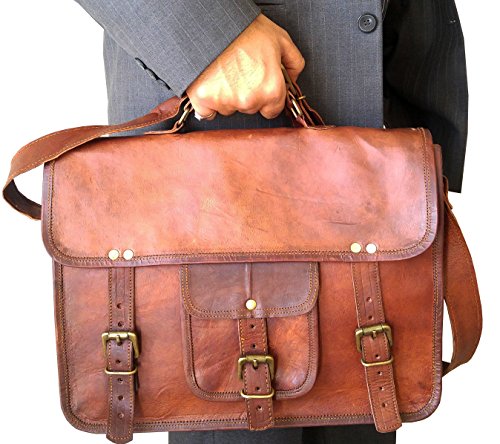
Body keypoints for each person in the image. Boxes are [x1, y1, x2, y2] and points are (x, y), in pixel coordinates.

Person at [72, 1, 469, 443]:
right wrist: (208, 37)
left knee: (363, 404)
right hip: (221, 106)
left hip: (379, 133)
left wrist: (422, 162)